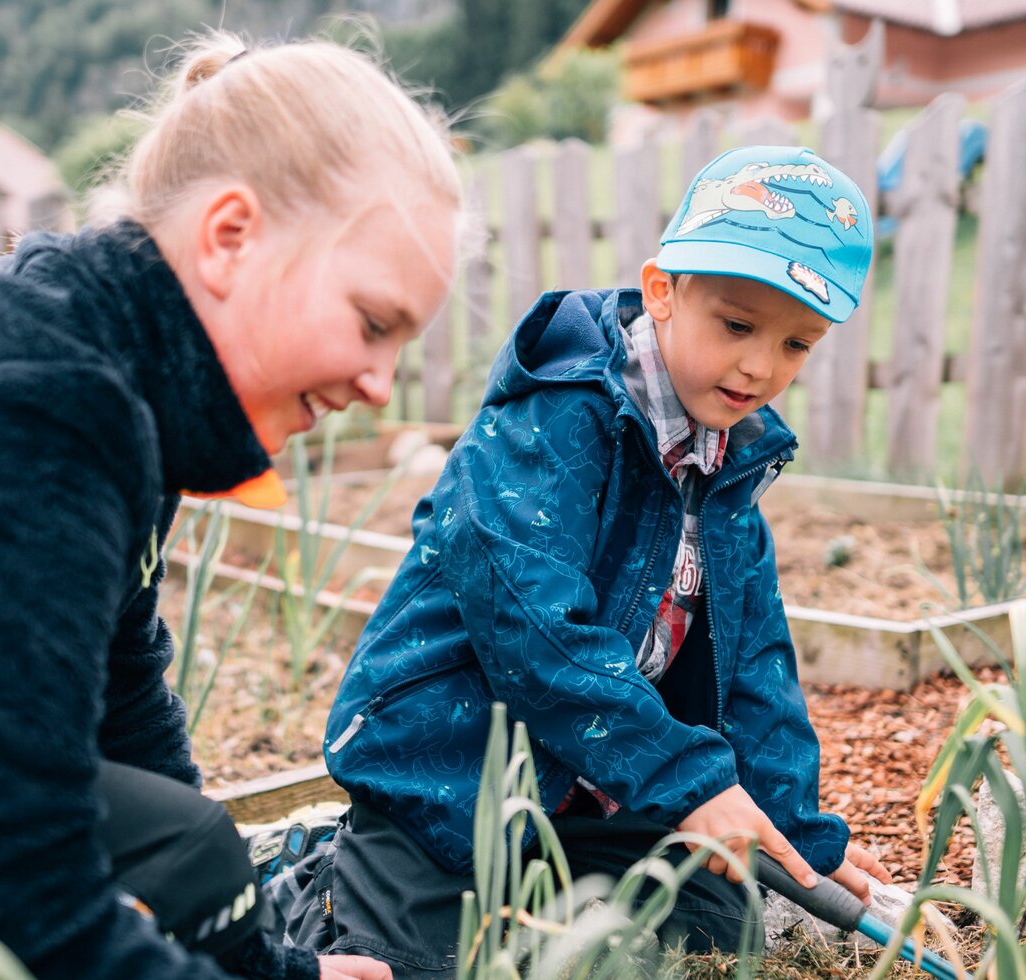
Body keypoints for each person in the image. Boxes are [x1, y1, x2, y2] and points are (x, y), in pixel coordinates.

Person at [0, 30, 461, 980]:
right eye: (374, 323)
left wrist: (269, 969)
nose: (382, 384)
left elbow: (121, 710)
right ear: (230, 237)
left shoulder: (119, 374)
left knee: (189, 841)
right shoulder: (21, 418)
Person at [286, 145, 893, 976]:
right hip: (449, 777)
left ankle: (542, 891)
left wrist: (799, 837)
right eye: (739, 325)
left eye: (798, 344)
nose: (761, 366)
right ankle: (316, 875)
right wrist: (690, 780)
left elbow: (757, 665)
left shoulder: (730, 465)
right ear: (662, 292)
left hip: (597, 783)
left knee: (721, 926)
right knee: (411, 964)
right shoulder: (557, 421)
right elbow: (534, 631)